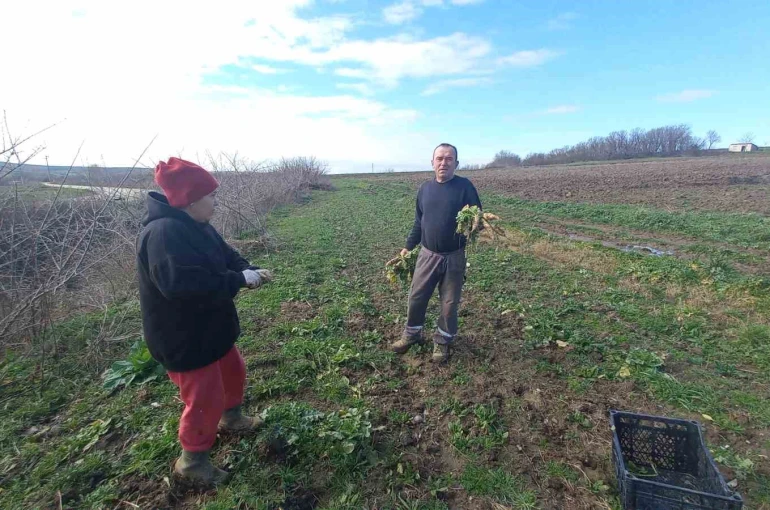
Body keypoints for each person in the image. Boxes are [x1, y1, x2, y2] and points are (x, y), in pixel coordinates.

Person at [136, 157, 272, 485]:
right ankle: (192, 462)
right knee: (203, 398)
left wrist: (247, 268)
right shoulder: (164, 235)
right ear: (190, 200)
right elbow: (185, 288)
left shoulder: (197, 224)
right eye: (211, 196)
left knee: (233, 372)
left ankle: (232, 418)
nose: (216, 202)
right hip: (184, 337)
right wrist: (238, 280)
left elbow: (226, 255)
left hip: (211, 329)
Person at [390, 143, 482, 363]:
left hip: (454, 255)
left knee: (449, 303)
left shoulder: (465, 187)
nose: (444, 162)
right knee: (417, 296)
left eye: (449, 159)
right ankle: (412, 334)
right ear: (432, 162)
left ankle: (442, 341)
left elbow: (477, 216)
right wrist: (407, 248)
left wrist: (475, 224)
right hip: (427, 254)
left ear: (456, 163)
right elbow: (418, 222)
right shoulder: (425, 189)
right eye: (439, 158)